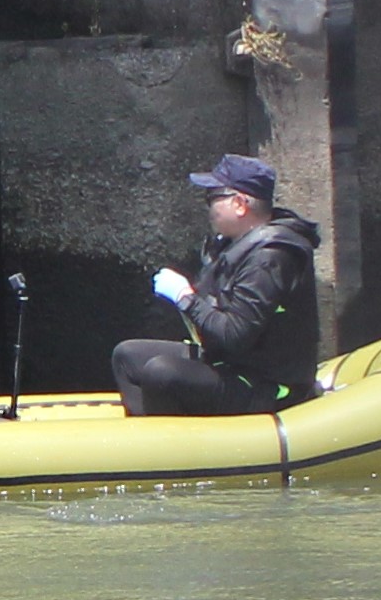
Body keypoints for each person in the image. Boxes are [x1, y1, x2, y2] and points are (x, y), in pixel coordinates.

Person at [113, 153, 324, 416]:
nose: (208, 208)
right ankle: (148, 438)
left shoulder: (271, 257)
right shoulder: (230, 245)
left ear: (239, 204)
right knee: (128, 356)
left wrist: (184, 297)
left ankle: (177, 449)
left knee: (162, 373)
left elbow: (234, 335)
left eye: (212, 198)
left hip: (266, 384)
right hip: (231, 364)